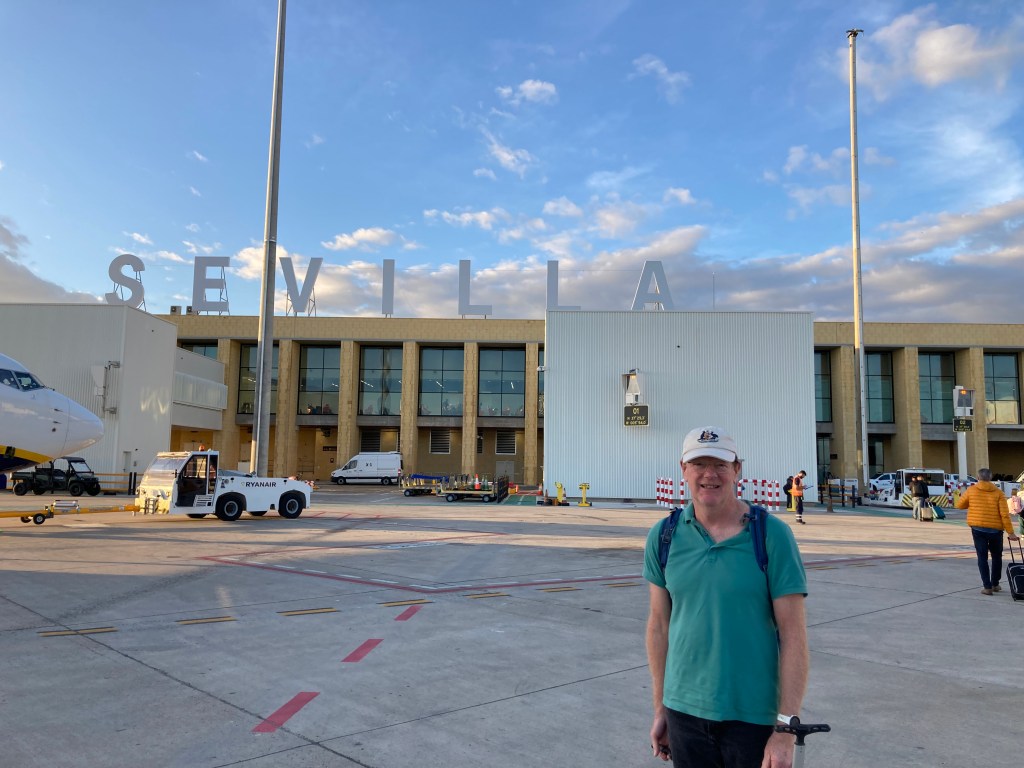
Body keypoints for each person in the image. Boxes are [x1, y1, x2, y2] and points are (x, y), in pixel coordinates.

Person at [645, 426, 809, 768]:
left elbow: (794, 634)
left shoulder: (772, 536)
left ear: (737, 469)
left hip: (753, 718)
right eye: (699, 464)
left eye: (720, 464)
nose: (709, 474)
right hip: (683, 713)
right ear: (683, 469)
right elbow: (659, 627)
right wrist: (661, 707)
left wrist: (785, 728)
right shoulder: (663, 536)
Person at [955, 467, 1019, 595]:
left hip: (978, 528)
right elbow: (1004, 514)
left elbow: (960, 505)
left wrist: (972, 502)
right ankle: (995, 583)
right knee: (997, 556)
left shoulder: (971, 490)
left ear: (978, 478)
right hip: (996, 530)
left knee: (982, 557)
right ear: (990, 478)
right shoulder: (999, 493)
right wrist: (1011, 532)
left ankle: (987, 587)